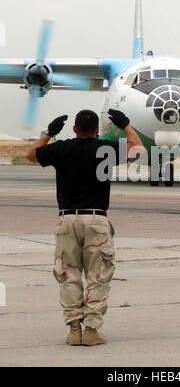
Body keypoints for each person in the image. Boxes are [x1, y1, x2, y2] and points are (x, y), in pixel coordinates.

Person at [26, 109, 144, 346]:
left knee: (68, 275)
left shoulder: (61, 149)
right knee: (98, 276)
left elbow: (31, 154)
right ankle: (91, 329)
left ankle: (74, 329)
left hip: (67, 219)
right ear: (98, 131)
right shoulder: (106, 149)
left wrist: (48, 133)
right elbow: (137, 149)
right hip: (96, 220)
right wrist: (126, 126)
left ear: (74, 129)